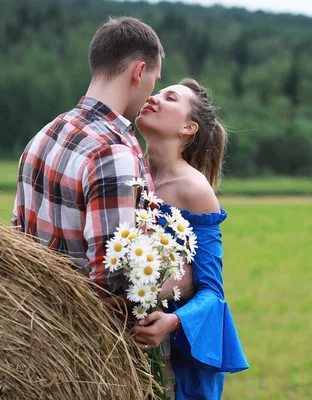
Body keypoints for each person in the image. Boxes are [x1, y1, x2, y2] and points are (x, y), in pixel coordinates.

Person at [12, 17, 163, 300]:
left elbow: (17, 237)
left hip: (36, 324)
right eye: (155, 80)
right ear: (139, 72)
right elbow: (111, 283)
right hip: (87, 339)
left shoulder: (44, 135)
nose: (152, 94)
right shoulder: (111, 153)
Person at [131, 78, 249, 399]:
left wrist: (171, 321)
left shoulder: (194, 190)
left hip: (173, 359)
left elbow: (212, 292)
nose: (154, 98)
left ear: (188, 128)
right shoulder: (128, 170)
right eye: (156, 92)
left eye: (169, 98)